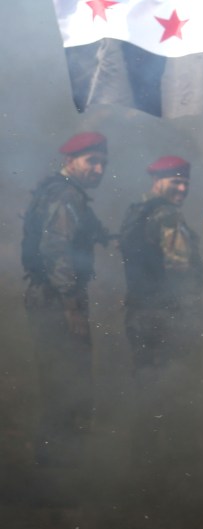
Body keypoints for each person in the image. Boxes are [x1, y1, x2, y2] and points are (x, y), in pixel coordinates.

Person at [21, 131, 110, 467]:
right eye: (92, 161)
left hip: (48, 297)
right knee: (67, 386)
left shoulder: (60, 192)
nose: (99, 170)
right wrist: (72, 306)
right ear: (70, 161)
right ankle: (56, 480)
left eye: (103, 163)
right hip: (57, 300)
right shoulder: (66, 196)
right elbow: (56, 249)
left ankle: (57, 474)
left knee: (61, 385)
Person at [120, 155, 203, 471]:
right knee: (174, 393)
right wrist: (191, 317)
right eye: (175, 181)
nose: (182, 188)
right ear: (157, 181)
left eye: (185, 182)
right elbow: (180, 270)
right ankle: (171, 473)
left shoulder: (136, 213)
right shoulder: (168, 216)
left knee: (147, 389)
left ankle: (142, 468)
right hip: (167, 319)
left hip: (139, 315)